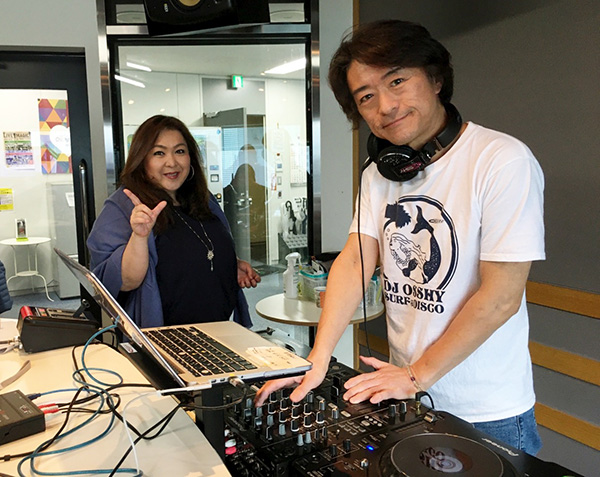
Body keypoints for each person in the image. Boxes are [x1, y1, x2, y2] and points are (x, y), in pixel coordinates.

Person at [255, 20, 545, 455]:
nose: (386, 106)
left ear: (435, 79)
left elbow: (501, 297)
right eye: (366, 97)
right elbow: (356, 261)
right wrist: (318, 358)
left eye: (397, 81)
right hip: (406, 396)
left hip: (486, 411)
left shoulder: (502, 160)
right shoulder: (379, 175)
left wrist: (416, 374)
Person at [87, 115, 260, 329]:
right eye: (159, 153)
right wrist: (139, 236)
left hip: (219, 329)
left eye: (180, 151)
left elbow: (201, 247)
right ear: (142, 159)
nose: (172, 162)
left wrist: (228, 264)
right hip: (166, 338)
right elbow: (123, 281)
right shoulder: (124, 206)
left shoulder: (202, 198)